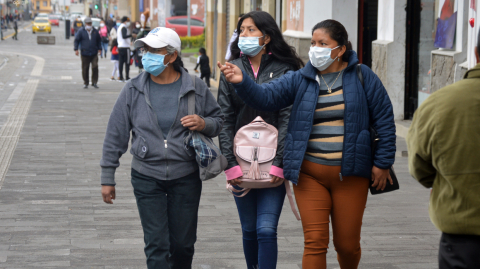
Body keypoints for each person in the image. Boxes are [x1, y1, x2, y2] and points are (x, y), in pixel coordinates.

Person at [219, 19, 396, 269]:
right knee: (314, 242)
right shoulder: (300, 78)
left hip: (351, 174)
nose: (316, 48)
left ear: (341, 49)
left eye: (323, 44)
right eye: (313, 43)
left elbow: (385, 120)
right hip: (309, 174)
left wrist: (383, 162)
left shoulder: (362, 75)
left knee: (347, 245)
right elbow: (266, 97)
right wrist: (242, 81)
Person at [100, 27, 224, 269]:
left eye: (154, 50)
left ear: (172, 56)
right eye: (145, 50)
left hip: (186, 176)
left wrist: (203, 123)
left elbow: (218, 121)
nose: (146, 55)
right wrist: (107, 177)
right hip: (146, 176)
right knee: (157, 245)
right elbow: (115, 134)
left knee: (183, 245)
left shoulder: (195, 87)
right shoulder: (133, 89)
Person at [218, 11, 303, 269]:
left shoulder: (286, 70)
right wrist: (229, 165)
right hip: (240, 163)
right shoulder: (231, 69)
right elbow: (224, 118)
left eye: (251, 30)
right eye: (241, 30)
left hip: (273, 163)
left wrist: (280, 163)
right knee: (249, 230)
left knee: (266, 230)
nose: (244, 34)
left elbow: (289, 118)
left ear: (266, 37)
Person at [406, 30, 480, 269]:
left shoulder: (440, 103)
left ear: (476, 53)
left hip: (463, 242)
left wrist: (439, 182)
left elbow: (419, 164)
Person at [74, 17, 102, 89]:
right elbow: (76, 40)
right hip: (84, 53)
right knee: (85, 68)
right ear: (85, 24)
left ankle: (94, 82)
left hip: (94, 53)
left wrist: (100, 49)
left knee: (95, 66)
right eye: (88, 23)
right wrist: (76, 49)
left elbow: (99, 41)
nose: (89, 25)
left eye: (90, 23)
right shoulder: (81, 31)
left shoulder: (95, 31)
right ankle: (86, 82)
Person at [117, 16, 132, 82]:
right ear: (125, 21)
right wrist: (131, 35)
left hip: (120, 47)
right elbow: (124, 36)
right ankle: (127, 77)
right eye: (128, 21)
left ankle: (120, 77)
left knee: (121, 62)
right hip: (125, 47)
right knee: (127, 62)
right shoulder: (124, 27)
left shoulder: (119, 27)